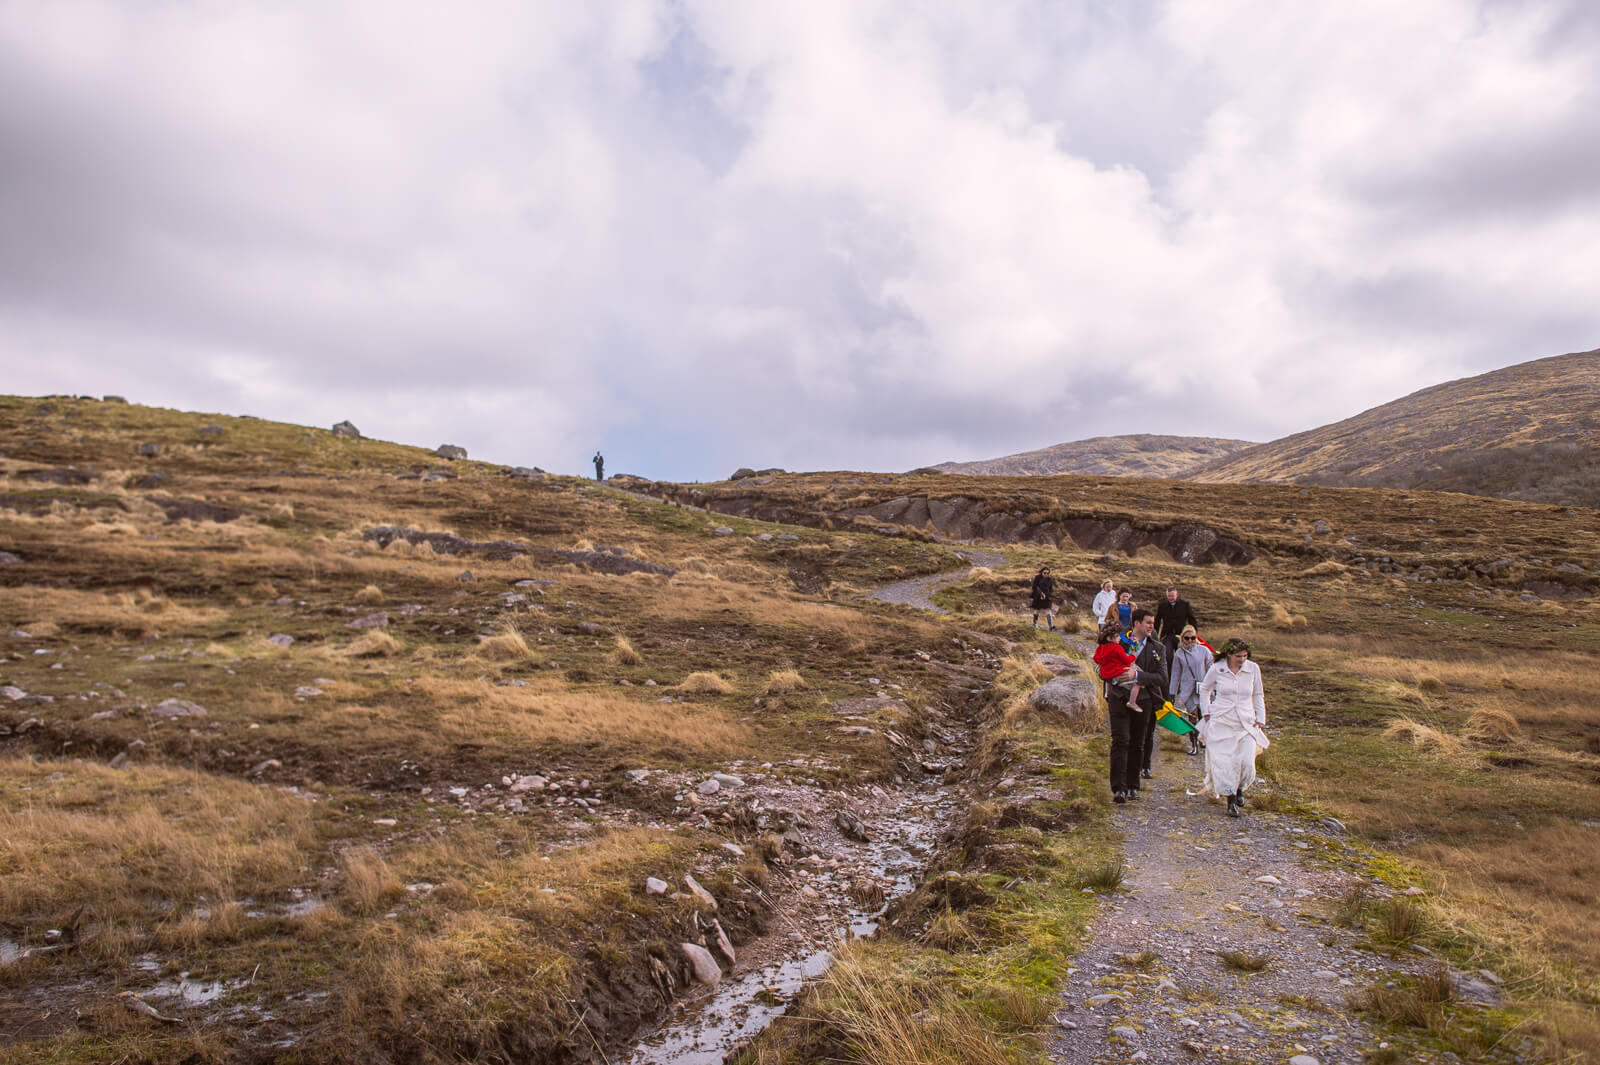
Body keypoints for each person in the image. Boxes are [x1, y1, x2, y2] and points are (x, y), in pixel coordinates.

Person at [1197, 637, 1269, 818]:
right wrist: (1206, 710)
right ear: (1229, 654)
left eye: (1245, 656)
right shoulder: (1218, 668)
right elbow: (1205, 689)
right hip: (1222, 720)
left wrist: (1260, 718)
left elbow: (1258, 694)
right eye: (1238, 656)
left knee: (1246, 761)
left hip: (1246, 721)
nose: (1242, 659)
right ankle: (1230, 799)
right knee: (1225, 762)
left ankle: (1240, 788)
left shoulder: (1253, 668)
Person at [1102, 609, 1167, 804]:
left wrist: (1137, 676)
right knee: (1120, 740)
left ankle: (1133, 785)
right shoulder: (1118, 642)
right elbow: (1102, 666)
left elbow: (1162, 677)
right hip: (1118, 697)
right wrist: (1112, 677)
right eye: (1148, 622)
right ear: (1136, 623)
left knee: (1138, 742)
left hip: (1143, 699)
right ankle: (1118, 788)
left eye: (1153, 623)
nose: (1152, 626)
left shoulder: (1158, 648)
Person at [1169, 624, 1211, 756]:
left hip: (1203, 689)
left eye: (1193, 638)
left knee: (1203, 716)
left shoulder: (1204, 651)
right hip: (1188, 690)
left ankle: (1202, 739)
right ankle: (1194, 745)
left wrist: (1214, 687)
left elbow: (1211, 669)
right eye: (1187, 638)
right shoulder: (1179, 654)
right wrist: (1172, 693)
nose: (1190, 641)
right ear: (1182, 638)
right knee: (1192, 716)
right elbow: (1175, 674)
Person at [1093, 623, 1142, 719]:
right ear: (1109, 638)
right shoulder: (1117, 648)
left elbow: (1096, 658)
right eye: (1117, 636)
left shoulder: (1100, 647)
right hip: (1118, 672)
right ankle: (1132, 702)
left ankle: (1107, 693)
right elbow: (1126, 660)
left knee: (1108, 679)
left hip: (1106, 673)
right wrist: (1133, 656)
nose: (1120, 638)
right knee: (1137, 682)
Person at [1153, 585, 1199, 658]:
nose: (1170, 598)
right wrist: (1154, 635)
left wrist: (1194, 633)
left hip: (1182, 635)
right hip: (1167, 635)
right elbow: (1157, 621)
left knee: (1182, 655)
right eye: (1169, 596)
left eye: (1172, 596)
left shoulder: (1185, 605)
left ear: (1176, 595)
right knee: (1167, 654)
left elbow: (1192, 620)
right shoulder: (1162, 606)